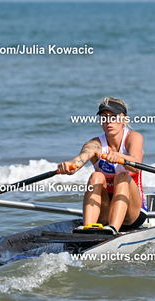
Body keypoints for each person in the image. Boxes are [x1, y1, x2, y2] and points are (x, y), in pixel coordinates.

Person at [57, 97, 146, 234]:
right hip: (104, 212)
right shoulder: (95, 144)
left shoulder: (133, 138)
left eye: (113, 116)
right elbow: (78, 162)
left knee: (122, 176)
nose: (108, 121)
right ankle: (87, 229)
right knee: (96, 176)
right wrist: (69, 166)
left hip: (132, 214)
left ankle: (113, 229)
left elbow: (137, 165)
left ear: (124, 120)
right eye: (104, 117)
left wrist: (120, 157)